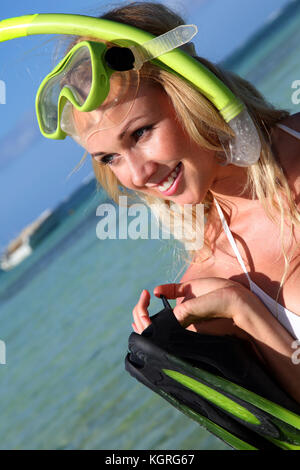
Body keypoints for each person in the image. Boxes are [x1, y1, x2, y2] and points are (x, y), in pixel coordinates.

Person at [48, 2, 300, 402]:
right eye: (109, 158)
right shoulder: (211, 284)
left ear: (191, 91)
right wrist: (242, 311)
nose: (136, 175)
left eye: (141, 132)